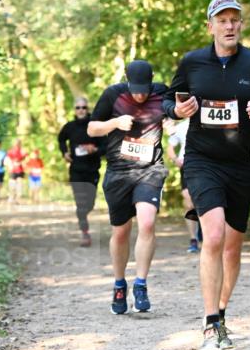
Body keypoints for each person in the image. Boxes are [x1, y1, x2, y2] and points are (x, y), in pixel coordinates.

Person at [164, 0, 250, 350]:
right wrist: (177, 108)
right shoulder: (192, 62)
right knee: (213, 235)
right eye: (222, 20)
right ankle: (209, 326)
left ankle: (220, 314)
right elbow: (166, 102)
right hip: (201, 161)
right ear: (211, 26)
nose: (229, 26)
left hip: (239, 165)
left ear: (241, 25)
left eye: (235, 20)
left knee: (232, 249)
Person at [87, 60, 169, 315]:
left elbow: (180, 109)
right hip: (119, 172)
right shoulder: (113, 94)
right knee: (121, 232)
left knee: (146, 223)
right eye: (136, 90)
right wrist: (114, 123)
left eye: (144, 89)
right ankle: (119, 284)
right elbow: (92, 128)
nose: (141, 94)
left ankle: (141, 284)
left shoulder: (161, 92)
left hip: (150, 169)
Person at [58, 98, 104, 247]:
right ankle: (85, 233)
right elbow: (61, 139)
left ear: (88, 108)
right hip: (76, 170)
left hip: (92, 171)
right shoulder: (69, 127)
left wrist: (95, 149)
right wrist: (64, 152)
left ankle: (84, 219)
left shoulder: (95, 127)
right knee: (80, 204)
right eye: (78, 107)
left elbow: (106, 146)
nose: (81, 110)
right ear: (74, 110)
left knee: (89, 204)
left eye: (83, 107)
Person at [167, 117, 201, 254]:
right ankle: (193, 238)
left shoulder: (207, 122)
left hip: (206, 166)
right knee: (189, 201)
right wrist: (175, 159)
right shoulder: (181, 126)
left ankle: (204, 232)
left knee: (204, 201)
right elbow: (170, 148)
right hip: (186, 166)